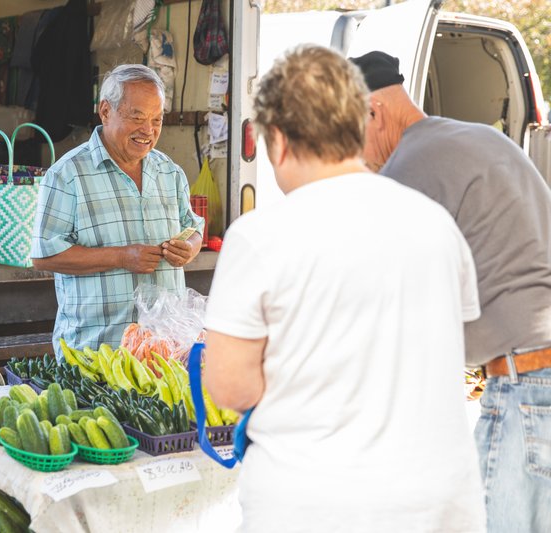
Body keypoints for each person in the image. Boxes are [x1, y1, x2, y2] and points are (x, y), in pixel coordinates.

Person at [203, 44, 485, 532]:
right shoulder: (436, 224)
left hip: (315, 506)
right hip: (440, 506)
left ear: (280, 141)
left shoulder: (257, 237)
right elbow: (449, 346)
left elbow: (229, 387)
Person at [350, 50, 551, 533]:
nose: (356, 154)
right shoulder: (477, 136)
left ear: (373, 111)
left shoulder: (409, 167)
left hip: (526, 389)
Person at [31, 64, 204, 359]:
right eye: (136, 117)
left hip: (164, 354)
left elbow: (194, 228)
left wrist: (188, 247)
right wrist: (122, 257)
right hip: (96, 353)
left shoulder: (169, 172)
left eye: (157, 119)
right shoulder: (67, 175)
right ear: (105, 111)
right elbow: (43, 255)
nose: (148, 130)